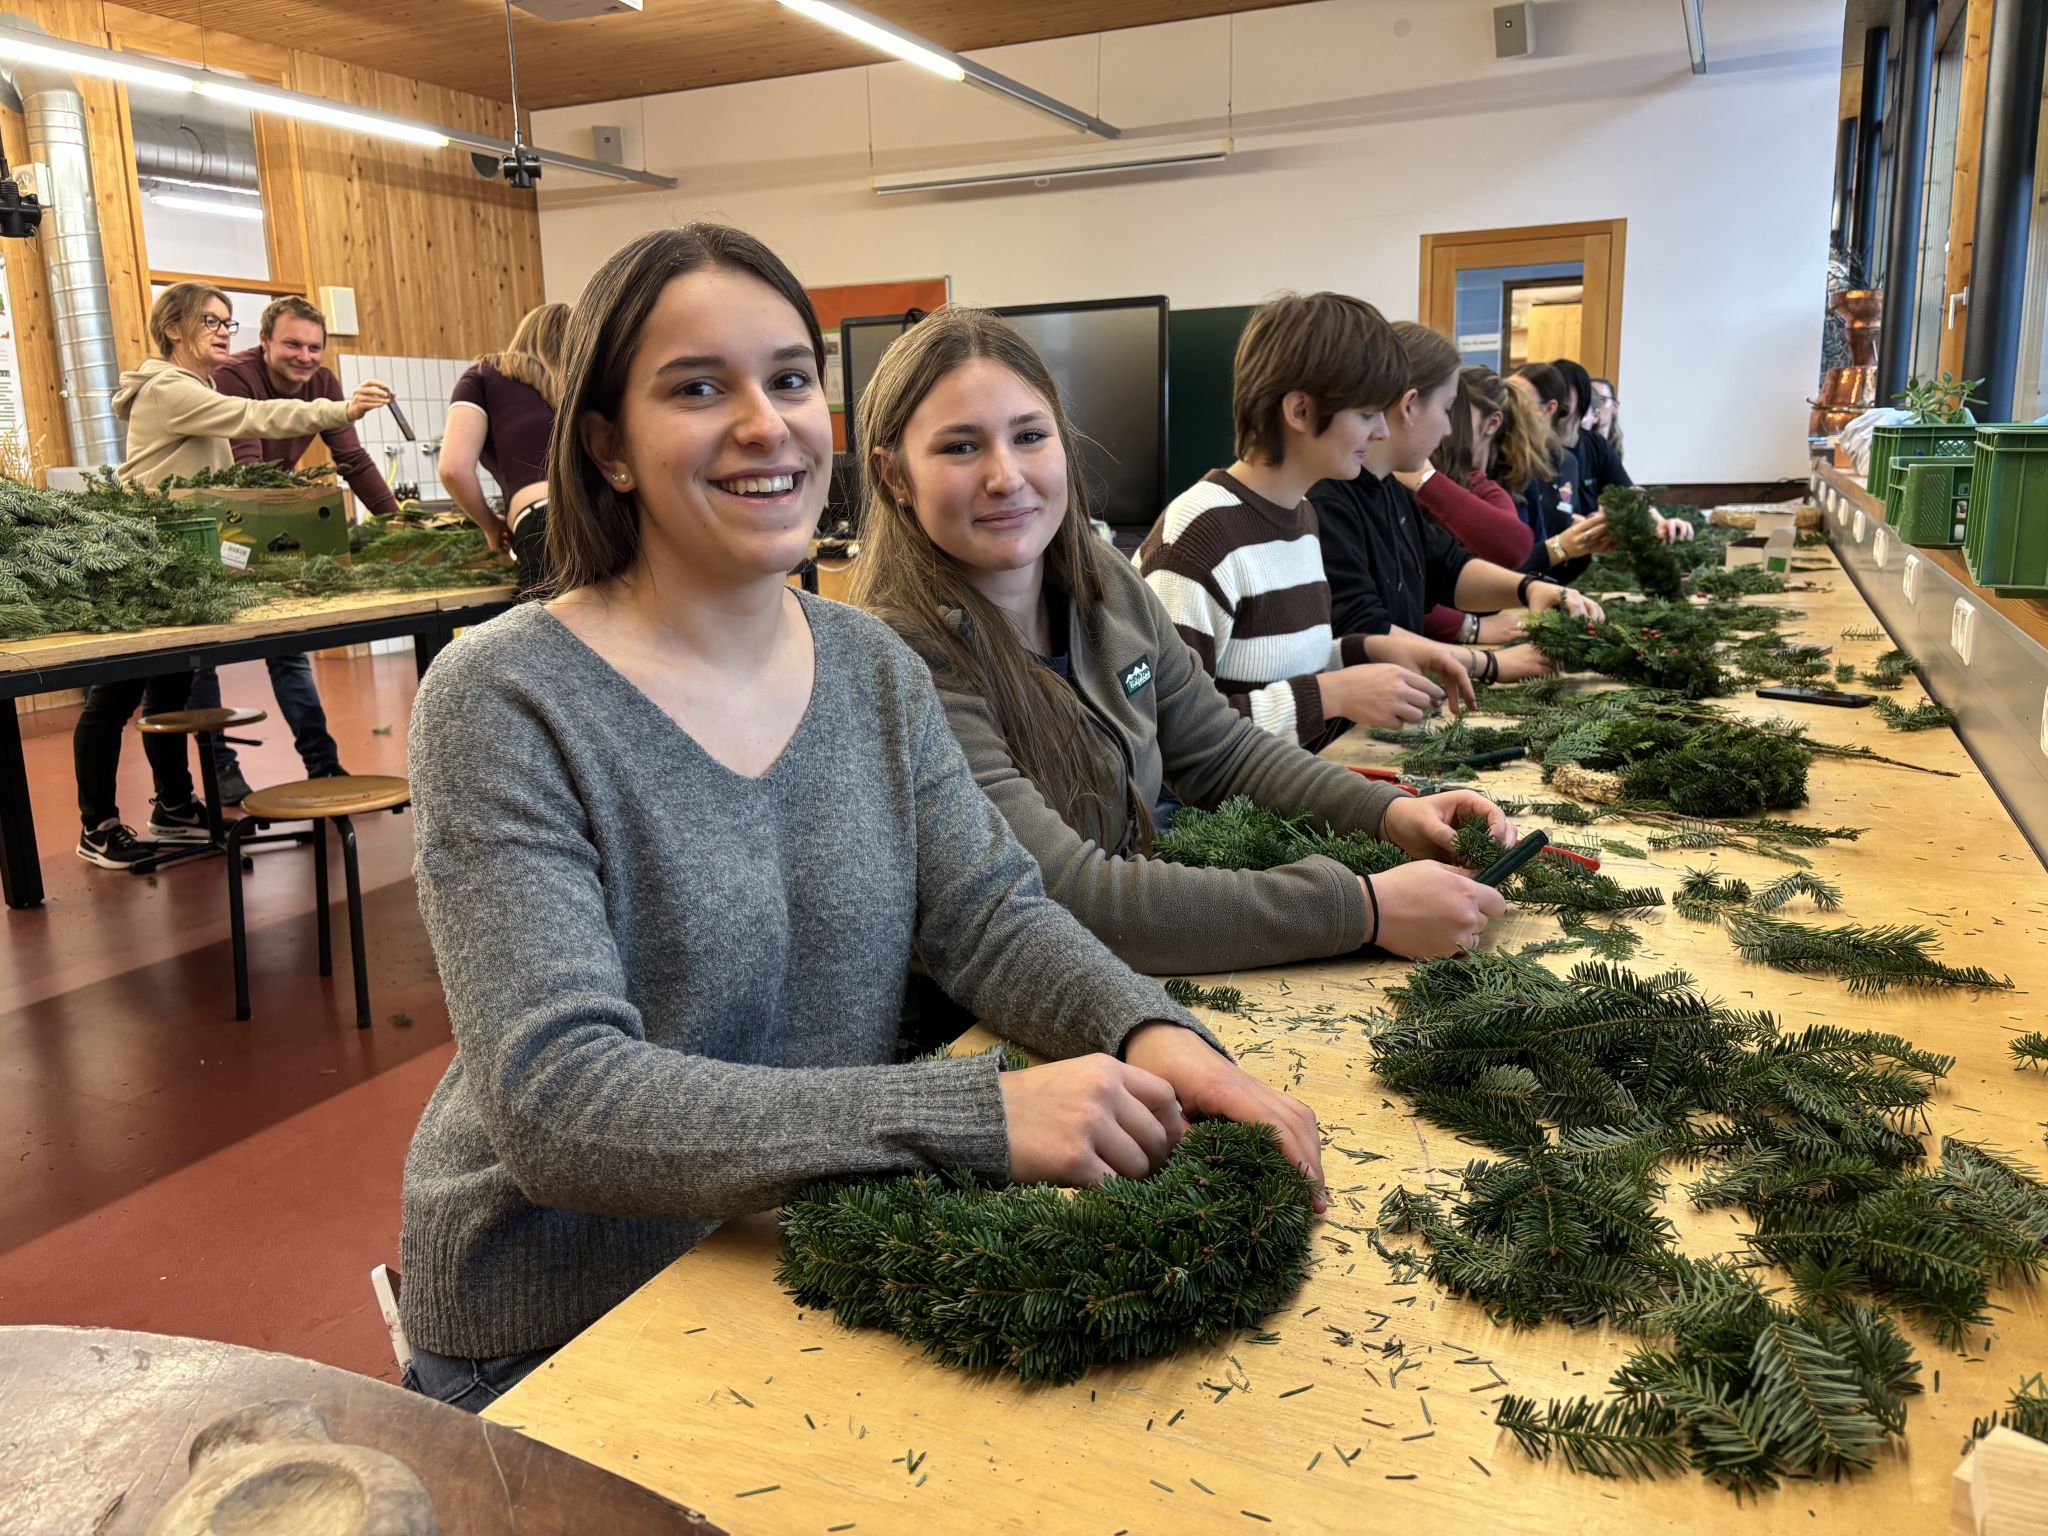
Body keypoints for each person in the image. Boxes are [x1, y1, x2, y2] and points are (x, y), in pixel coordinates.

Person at [396, 224, 1324, 1411]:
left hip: (798, 1252)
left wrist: (1151, 1034)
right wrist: (977, 1113)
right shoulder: (504, 698)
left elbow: (990, 918)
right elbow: (559, 1102)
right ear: (606, 449)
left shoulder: (868, 665)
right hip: (557, 1324)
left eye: (788, 380)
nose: (765, 423)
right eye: (696, 388)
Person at [848, 305, 1514, 975]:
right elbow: (1068, 894)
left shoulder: (1104, 578)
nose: (1006, 475)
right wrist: (1363, 908)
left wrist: (1394, 814)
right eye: (960, 446)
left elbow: (1220, 750)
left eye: (1029, 436)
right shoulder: (903, 656)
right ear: (894, 475)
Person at [75, 285, 389, 870]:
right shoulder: (171, 388)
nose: (224, 331)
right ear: (173, 329)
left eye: (228, 322)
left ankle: (173, 806)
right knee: (112, 700)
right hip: (146, 557)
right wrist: (339, 410)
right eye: (210, 322)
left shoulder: (198, 387)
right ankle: (98, 826)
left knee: (167, 691)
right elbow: (253, 415)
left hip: (184, 558)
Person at [1139, 292, 1476, 752]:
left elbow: (1282, 668)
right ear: (1299, 411)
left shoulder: (1302, 516)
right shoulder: (1199, 534)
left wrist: (1367, 651)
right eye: (1365, 413)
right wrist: (1333, 694)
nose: (1380, 430)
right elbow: (1171, 729)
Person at [1312, 322, 1604, 693]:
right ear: (1409, 406)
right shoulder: (1329, 500)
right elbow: (1365, 630)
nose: (1449, 430)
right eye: (1448, 409)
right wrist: (1491, 663)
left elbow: (1446, 568)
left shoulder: (1391, 488)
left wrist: (1529, 589)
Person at [192, 294, 390, 801]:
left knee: (289, 649)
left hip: (271, 520)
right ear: (264, 343)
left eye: (313, 347)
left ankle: (322, 764)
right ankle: (219, 768)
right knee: (201, 655)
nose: (304, 356)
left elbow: (352, 459)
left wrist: (397, 522)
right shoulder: (236, 376)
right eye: (292, 345)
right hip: (218, 524)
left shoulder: (321, 383)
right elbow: (247, 464)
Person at [1404, 364, 1549, 644]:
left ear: (1493, 423)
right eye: (1445, 409)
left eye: (1452, 412)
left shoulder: (1477, 485)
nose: (1446, 427)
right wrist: (1468, 627)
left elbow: (1515, 546)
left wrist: (1427, 481)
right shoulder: (1391, 481)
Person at [440, 302, 569, 596]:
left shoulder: (485, 374)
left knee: (543, 637)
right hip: (608, 518)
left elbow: (453, 469)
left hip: (543, 522)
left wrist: (491, 526)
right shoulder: (587, 384)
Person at [1590, 375, 1623, 458]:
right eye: (1590, 400)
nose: (1595, 406)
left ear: (1615, 406)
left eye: (1601, 400)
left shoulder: (1614, 448)